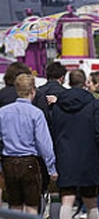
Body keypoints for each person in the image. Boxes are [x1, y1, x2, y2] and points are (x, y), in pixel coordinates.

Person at [0, 73, 58, 214]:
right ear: (33, 91)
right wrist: (51, 168)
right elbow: (44, 143)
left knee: (14, 205)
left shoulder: (3, 112)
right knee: (32, 205)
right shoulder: (36, 113)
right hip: (29, 162)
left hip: (8, 161)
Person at [50, 68, 99, 219]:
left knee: (67, 199)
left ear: (69, 82)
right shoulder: (94, 104)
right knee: (91, 202)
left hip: (65, 155)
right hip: (89, 156)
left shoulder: (58, 105)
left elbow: (54, 130)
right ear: (85, 83)